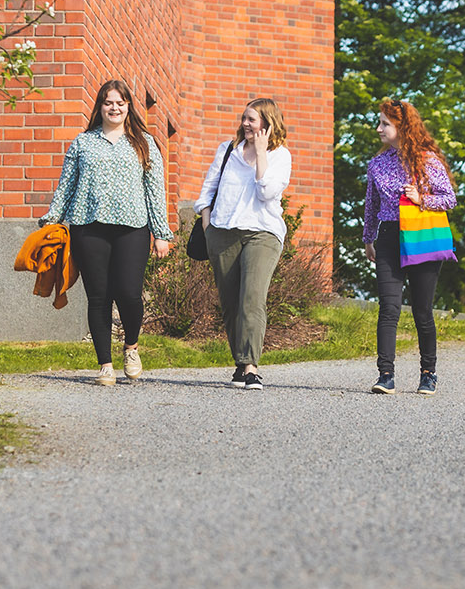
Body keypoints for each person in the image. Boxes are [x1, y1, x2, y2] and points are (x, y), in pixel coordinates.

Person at [43, 80, 174, 385]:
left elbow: (155, 191)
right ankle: (105, 364)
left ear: (129, 107)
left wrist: (162, 233)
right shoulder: (82, 143)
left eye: (120, 103)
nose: (114, 108)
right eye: (108, 103)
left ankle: (131, 346)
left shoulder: (144, 142)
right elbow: (66, 186)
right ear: (100, 107)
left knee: (128, 293)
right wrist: (52, 220)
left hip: (133, 228)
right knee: (98, 296)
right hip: (88, 227)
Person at [195, 98, 293, 391]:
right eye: (244, 119)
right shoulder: (228, 150)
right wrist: (206, 220)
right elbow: (208, 187)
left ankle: (251, 367)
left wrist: (262, 154)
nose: (246, 124)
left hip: (262, 233)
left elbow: (267, 193)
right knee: (230, 302)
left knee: (252, 297)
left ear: (268, 123)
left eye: (252, 119)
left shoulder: (280, 156)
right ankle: (240, 364)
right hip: (223, 231)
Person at [362, 99, 457, 395]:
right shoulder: (377, 164)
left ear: (402, 127)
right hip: (389, 236)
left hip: (421, 235)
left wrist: (421, 198)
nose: (378, 128)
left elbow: (449, 199)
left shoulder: (427, 160)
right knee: (388, 308)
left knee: (422, 311)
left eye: (384, 124)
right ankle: (385, 375)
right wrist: (368, 238)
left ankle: (428, 373)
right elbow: (372, 205)